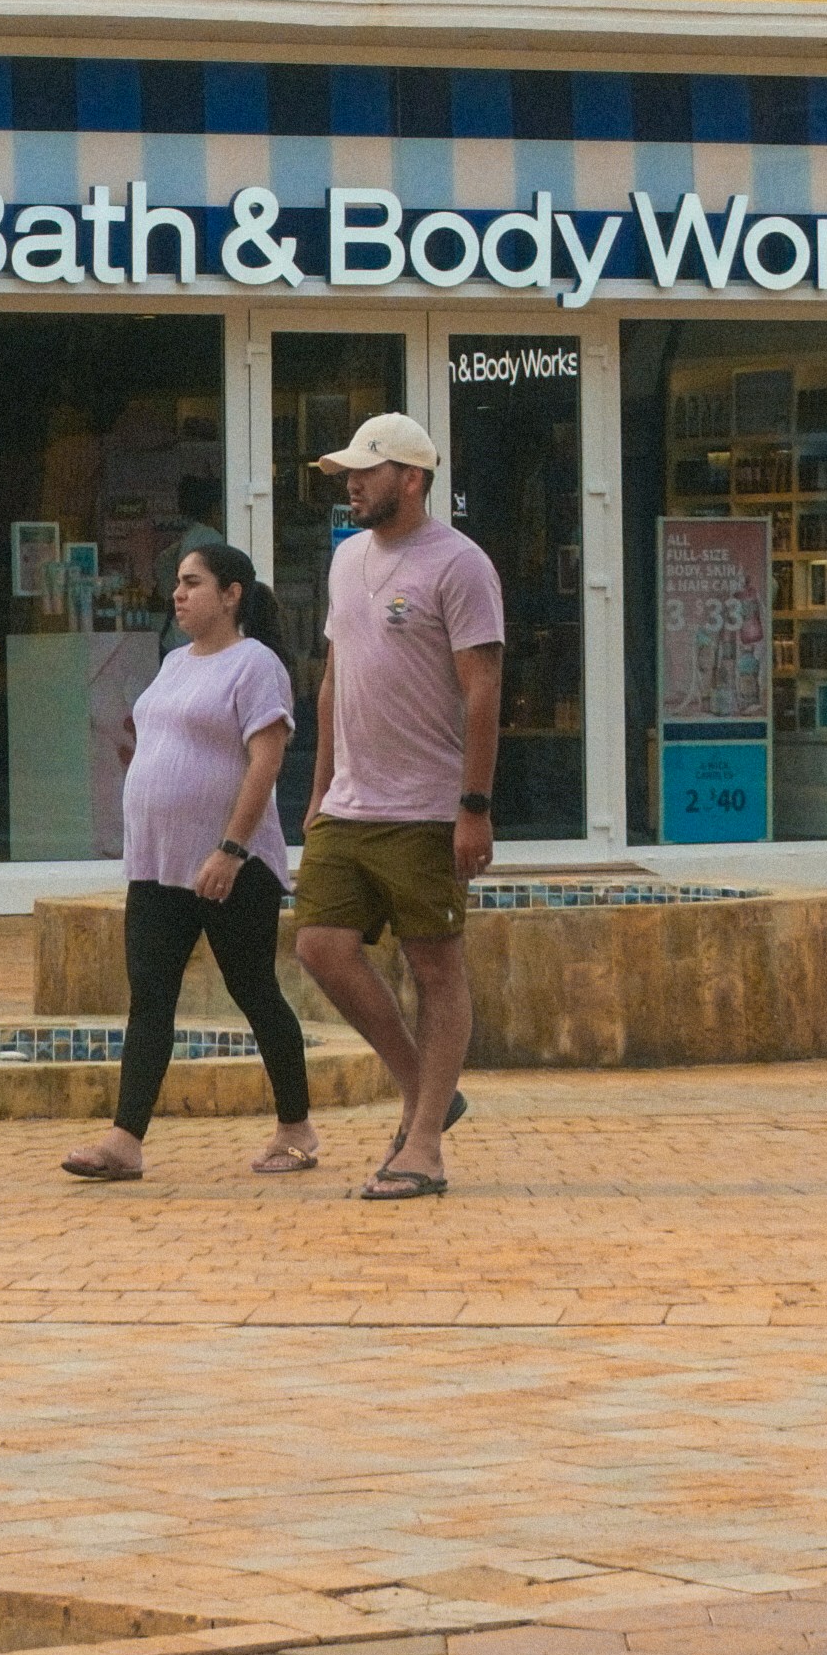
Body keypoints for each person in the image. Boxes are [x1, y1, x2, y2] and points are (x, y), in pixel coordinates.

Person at [290, 412, 504, 1201]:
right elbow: (332, 680)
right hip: (349, 803)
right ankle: (427, 1090)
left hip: (426, 805)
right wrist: (317, 794)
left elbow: (483, 688)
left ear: (411, 479)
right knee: (319, 946)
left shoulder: (460, 564)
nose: (351, 482)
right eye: (347, 470)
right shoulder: (347, 561)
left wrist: (473, 807)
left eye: (367, 471)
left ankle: (423, 1148)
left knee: (435, 967)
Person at [61, 535, 319, 1183]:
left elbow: (266, 760)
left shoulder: (255, 665)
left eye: (192, 582)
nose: (178, 594)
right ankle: (125, 1141)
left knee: (254, 991)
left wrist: (230, 850)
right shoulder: (174, 662)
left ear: (231, 595)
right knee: (150, 998)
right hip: (158, 865)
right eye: (177, 582)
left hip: (229, 865)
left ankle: (296, 1126)